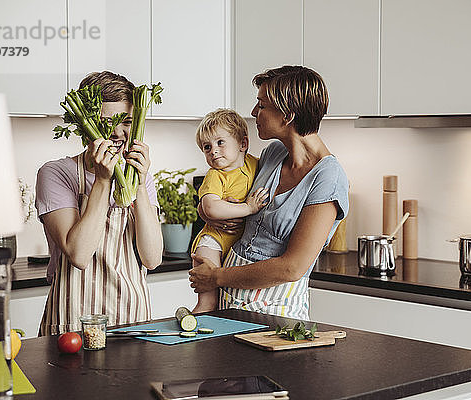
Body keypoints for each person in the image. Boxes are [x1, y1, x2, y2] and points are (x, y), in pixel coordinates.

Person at [189, 66, 349, 320]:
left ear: (287, 115)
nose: (254, 113)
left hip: (276, 309)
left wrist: (216, 277)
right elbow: (232, 192)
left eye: (261, 105)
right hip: (229, 298)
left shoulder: (328, 177)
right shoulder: (273, 154)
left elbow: (293, 267)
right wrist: (207, 212)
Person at [35, 71, 163, 335]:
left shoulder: (140, 177)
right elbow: (79, 254)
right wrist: (104, 181)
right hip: (73, 322)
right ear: (86, 125)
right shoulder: (56, 173)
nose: (118, 133)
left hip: (132, 319)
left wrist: (138, 184)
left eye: (127, 121)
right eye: (107, 123)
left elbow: (152, 258)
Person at [191, 109, 269, 313]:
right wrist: (248, 208)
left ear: (243, 144)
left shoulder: (256, 164)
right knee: (208, 303)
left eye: (220, 142)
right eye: (207, 147)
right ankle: (191, 339)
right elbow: (210, 206)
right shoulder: (215, 175)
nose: (213, 151)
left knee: (225, 303)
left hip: (235, 246)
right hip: (212, 242)